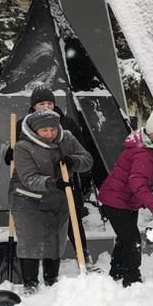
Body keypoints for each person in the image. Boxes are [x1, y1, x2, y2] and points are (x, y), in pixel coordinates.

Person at [8, 108, 93, 291]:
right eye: (44, 131)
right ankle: (30, 284)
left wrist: (74, 161)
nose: (50, 134)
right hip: (27, 199)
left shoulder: (67, 138)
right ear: (35, 131)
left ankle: (51, 281)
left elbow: (87, 160)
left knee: (55, 240)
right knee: (31, 240)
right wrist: (54, 183)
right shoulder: (24, 147)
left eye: (53, 129)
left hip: (59, 198)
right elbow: (29, 178)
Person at [98, 109, 153, 287]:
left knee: (126, 238)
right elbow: (137, 182)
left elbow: (144, 181)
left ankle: (116, 272)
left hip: (125, 200)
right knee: (132, 240)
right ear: (151, 132)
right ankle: (132, 279)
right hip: (117, 200)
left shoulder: (151, 148)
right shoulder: (145, 153)